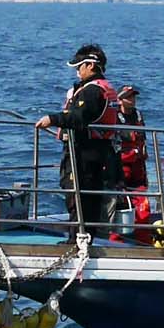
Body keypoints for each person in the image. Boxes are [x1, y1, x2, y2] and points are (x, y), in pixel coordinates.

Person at [34, 44, 117, 236]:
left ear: (90, 65)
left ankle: (77, 240)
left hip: (84, 153)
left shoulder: (92, 91)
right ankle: (84, 237)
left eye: (79, 67)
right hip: (99, 151)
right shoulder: (105, 88)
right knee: (88, 198)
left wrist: (52, 119)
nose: (77, 71)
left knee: (77, 196)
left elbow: (79, 117)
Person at [111, 85, 155, 230]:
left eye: (133, 96)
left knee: (143, 206)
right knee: (120, 206)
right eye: (128, 97)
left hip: (138, 168)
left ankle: (143, 236)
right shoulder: (113, 116)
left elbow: (143, 139)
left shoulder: (138, 115)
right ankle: (115, 238)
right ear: (120, 100)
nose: (132, 100)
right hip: (120, 167)